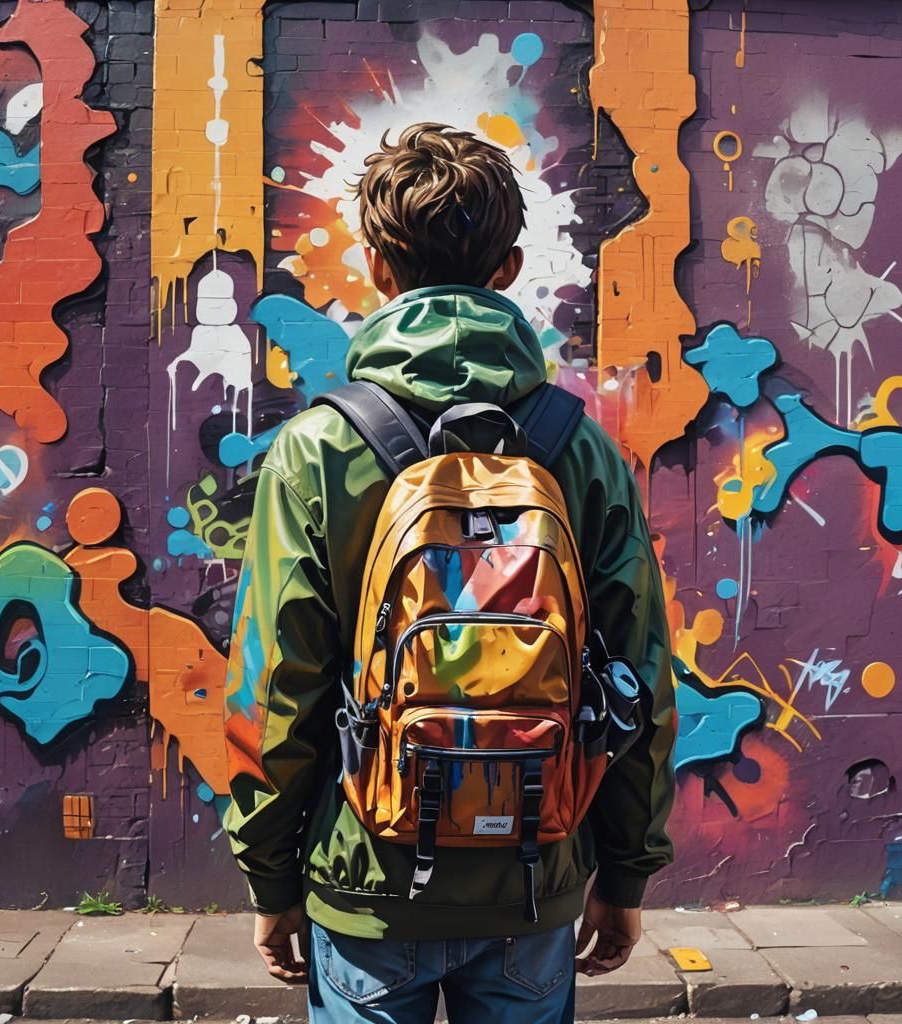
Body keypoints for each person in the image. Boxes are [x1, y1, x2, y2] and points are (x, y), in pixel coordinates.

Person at [223, 122, 676, 1024]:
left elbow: (278, 681)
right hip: (533, 873)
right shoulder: (580, 449)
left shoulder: (318, 447)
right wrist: (625, 873)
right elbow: (639, 673)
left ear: (377, 267)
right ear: (509, 268)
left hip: (368, 873)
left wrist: (271, 878)